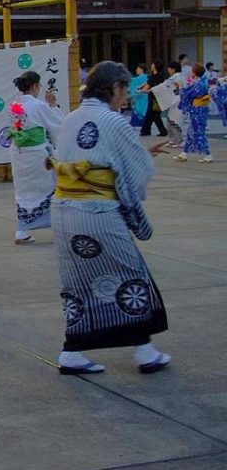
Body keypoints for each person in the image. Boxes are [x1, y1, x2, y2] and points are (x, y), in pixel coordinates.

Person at [48, 62, 171, 375]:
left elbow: (100, 157)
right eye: (125, 90)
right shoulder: (112, 121)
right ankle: (144, 352)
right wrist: (142, 164)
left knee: (79, 283)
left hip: (64, 212)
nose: (126, 97)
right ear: (114, 88)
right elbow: (131, 171)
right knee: (131, 275)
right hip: (96, 213)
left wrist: (144, 154)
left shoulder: (72, 117)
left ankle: (73, 352)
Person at [8, 71, 64, 244]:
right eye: (38, 85)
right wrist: (53, 105)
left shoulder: (14, 105)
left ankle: (22, 230)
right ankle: (59, 227)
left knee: (24, 192)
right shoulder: (38, 105)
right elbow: (57, 126)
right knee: (48, 188)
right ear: (34, 86)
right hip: (37, 153)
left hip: (19, 153)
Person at [174, 63, 213, 162]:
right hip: (200, 109)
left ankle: (208, 154)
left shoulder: (198, 84)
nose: (190, 72)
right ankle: (184, 153)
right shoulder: (202, 82)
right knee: (191, 131)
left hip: (198, 109)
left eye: (192, 70)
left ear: (195, 72)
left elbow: (186, 94)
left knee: (198, 132)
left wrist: (181, 86)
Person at [138, 61, 169, 137]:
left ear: (156, 66)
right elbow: (148, 83)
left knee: (155, 115)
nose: (151, 66)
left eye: (152, 64)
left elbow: (154, 88)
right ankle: (145, 130)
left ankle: (162, 131)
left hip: (157, 98)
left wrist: (143, 90)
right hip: (152, 97)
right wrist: (141, 88)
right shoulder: (153, 76)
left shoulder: (160, 76)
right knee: (150, 115)